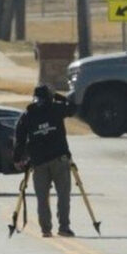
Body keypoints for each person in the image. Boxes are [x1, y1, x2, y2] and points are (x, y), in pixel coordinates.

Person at [13, 84, 77, 238]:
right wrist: (60, 97)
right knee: (63, 195)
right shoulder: (56, 108)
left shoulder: (28, 115)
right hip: (59, 159)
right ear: (49, 96)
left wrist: (17, 159)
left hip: (39, 162)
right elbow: (73, 108)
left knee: (42, 198)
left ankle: (46, 229)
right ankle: (64, 227)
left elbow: (19, 138)